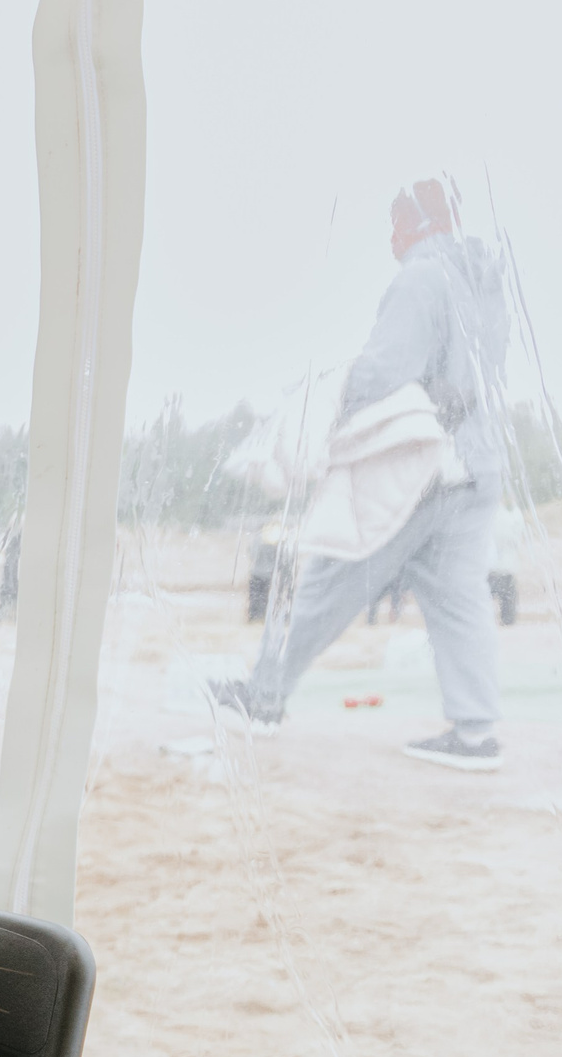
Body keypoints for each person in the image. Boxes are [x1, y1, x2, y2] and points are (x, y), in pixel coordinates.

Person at [212, 180, 509, 769]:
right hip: (477, 468)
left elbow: (384, 372)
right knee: (460, 601)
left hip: (419, 468)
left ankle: (262, 699)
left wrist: (329, 403)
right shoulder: (487, 285)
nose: (391, 240)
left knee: (327, 575)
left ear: (418, 224)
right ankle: (477, 734)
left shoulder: (421, 278)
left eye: (395, 227)